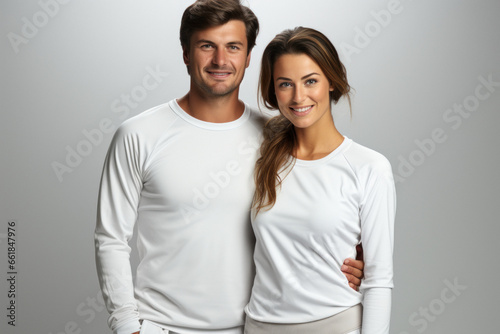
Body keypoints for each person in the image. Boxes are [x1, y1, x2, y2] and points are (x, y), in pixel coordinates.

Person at [94, 1, 364, 334]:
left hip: (258, 327)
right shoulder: (138, 135)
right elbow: (111, 239)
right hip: (162, 327)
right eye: (207, 46)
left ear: (248, 56)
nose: (220, 60)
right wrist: (126, 326)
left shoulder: (276, 138)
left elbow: (319, 210)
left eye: (233, 47)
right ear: (185, 53)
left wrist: (354, 258)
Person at [243, 27, 396, 334]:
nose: (299, 97)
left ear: (331, 81)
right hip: (259, 327)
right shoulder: (259, 157)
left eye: (310, 81)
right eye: (285, 84)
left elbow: (379, 280)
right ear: (273, 90)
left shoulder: (369, 168)